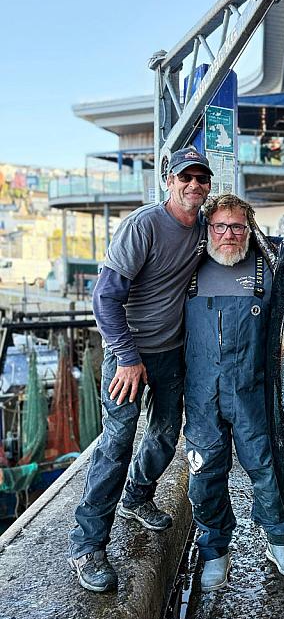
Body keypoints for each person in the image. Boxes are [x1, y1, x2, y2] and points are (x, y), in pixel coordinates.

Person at [68, 147, 212, 593]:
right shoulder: (143, 225)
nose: (194, 185)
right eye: (185, 177)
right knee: (116, 442)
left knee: (166, 433)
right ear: (169, 181)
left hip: (170, 353)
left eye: (201, 178)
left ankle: (137, 496)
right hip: (128, 355)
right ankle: (87, 545)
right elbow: (104, 297)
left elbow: (243, 237)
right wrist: (127, 357)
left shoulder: (205, 228)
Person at [183, 193, 284, 591]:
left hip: (254, 392)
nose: (229, 234)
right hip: (201, 395)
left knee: (267, 469)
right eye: (220, 226)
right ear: (208, 229)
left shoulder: (269, 266)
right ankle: (215, 551)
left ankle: (279, 540)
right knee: (205, 473)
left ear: (250, 229)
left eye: (237, 226)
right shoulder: (188, 267)